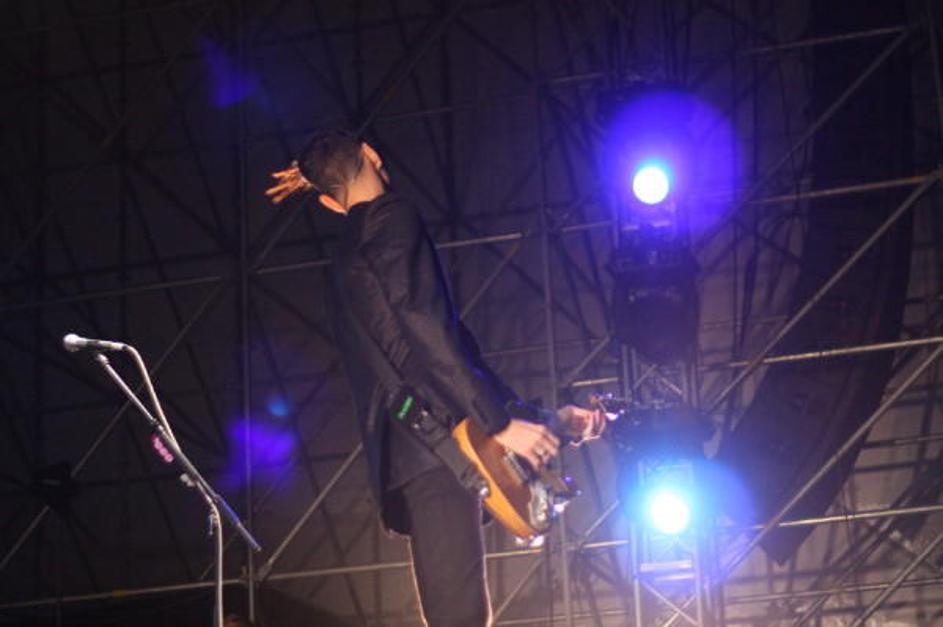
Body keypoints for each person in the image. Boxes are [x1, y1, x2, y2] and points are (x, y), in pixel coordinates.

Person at [266, 129, 605, 626]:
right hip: (436, 451)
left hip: (415, 449)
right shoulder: (391, 216)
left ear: (328, 203)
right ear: (371, 154)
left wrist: (544, 421)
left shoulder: (343, 264)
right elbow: (427, 328)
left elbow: (424, 358)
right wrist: (497, 423)